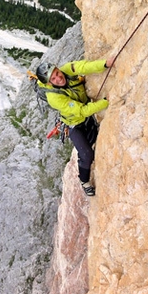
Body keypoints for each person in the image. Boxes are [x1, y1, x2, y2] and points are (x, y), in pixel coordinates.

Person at [36, 58, 114, 196]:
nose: (59, 78)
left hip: (86, 118)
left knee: (94, 141)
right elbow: (82, 110)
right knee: (86, 154)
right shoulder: (54, 98)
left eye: (57, 72)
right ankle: (84, 181)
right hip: (74, 124)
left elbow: (84, 67)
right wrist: (104, 102)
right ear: (49, 83)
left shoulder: (66, 70)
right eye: (54, 78)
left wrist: (105, 64)